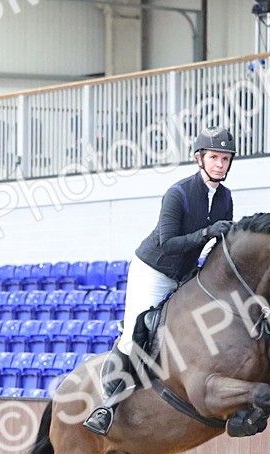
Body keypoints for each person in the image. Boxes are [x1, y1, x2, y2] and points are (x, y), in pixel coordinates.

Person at [82, 128, 237, 436]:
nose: (220, 164)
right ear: (200, 159)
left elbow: (222, 245)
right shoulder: (178, 194)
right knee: (133, 336)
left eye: (225, 158)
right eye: (214, 158)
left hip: (186, 274)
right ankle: (107, 406)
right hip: (153, 270)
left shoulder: (225, 198)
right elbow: (168, 243)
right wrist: (207, 233)